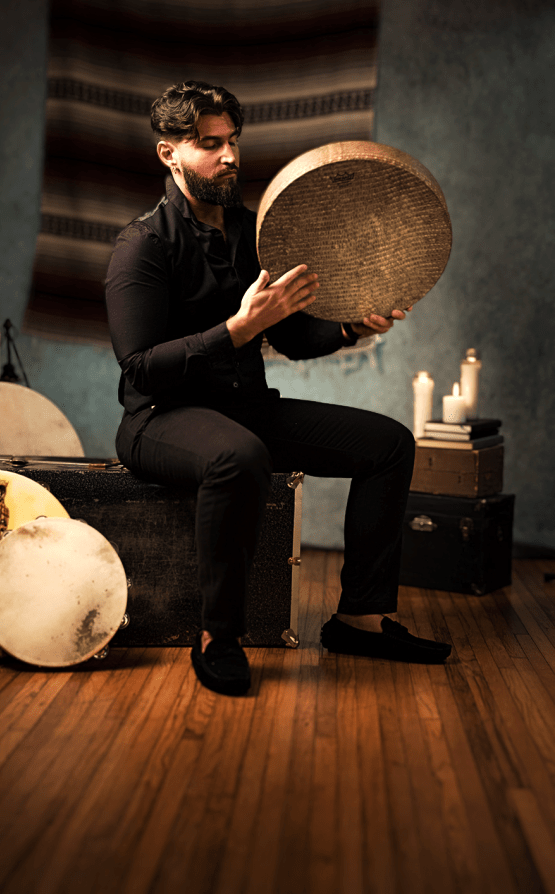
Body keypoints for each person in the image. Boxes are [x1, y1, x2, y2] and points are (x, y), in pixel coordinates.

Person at [105, 81, 451, 696]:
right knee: (239, 456)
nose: (229, 156)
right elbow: (139, 369)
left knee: (389, 444)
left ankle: (360, 620)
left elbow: (290, 338)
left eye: (233, 140)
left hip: (247, 410)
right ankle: (218, 637)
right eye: (209, 144)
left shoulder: (253, 232)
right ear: (169, 154)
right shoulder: (143, 245)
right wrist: (237, 330)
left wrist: (348, 327)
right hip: (160, 418)